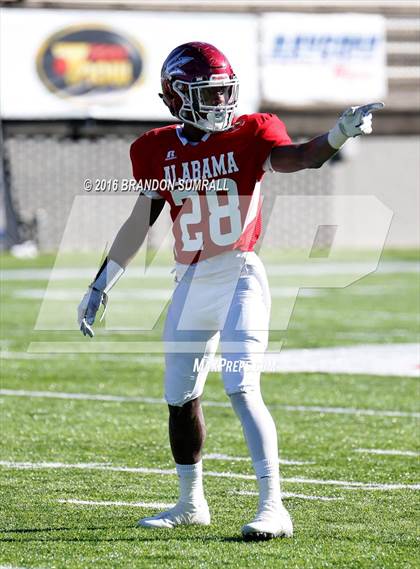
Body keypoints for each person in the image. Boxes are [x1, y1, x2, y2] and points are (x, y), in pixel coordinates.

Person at [78, 42, 383, 541]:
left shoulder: (252, 131)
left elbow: (301, 158)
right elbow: (140, 221)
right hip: (190, 281)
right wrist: (101, 283)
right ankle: (190, 502)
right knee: (180, 396)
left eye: (225, 92)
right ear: (175, 98)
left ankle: (273, 507)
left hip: (240, 274)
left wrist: (338, 134)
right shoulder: (153, 147)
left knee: (241, 385)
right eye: (209, 93)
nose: (222, 103)